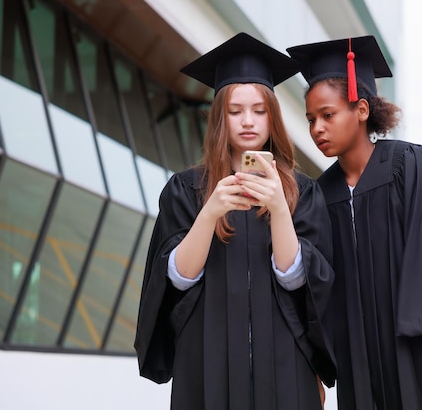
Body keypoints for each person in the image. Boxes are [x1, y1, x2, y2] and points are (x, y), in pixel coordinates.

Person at [287, 35, 422, 409]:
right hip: (364, 365)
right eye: (311, 120)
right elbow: (316, 291)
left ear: (360, 110)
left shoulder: (411, 166)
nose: (317, 129)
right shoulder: (320, 195)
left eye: (328, 115)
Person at [134, 32, 336, 410]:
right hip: (206, 366)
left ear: (272, 117)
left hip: (285, 366)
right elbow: (176, 278)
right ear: (219, 117)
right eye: (235, 111)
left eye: (259, 111)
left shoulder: (302, 193)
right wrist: (210, 212)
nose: (248, 121)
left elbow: (301, 282)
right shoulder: (186, 189)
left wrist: (278, 209)